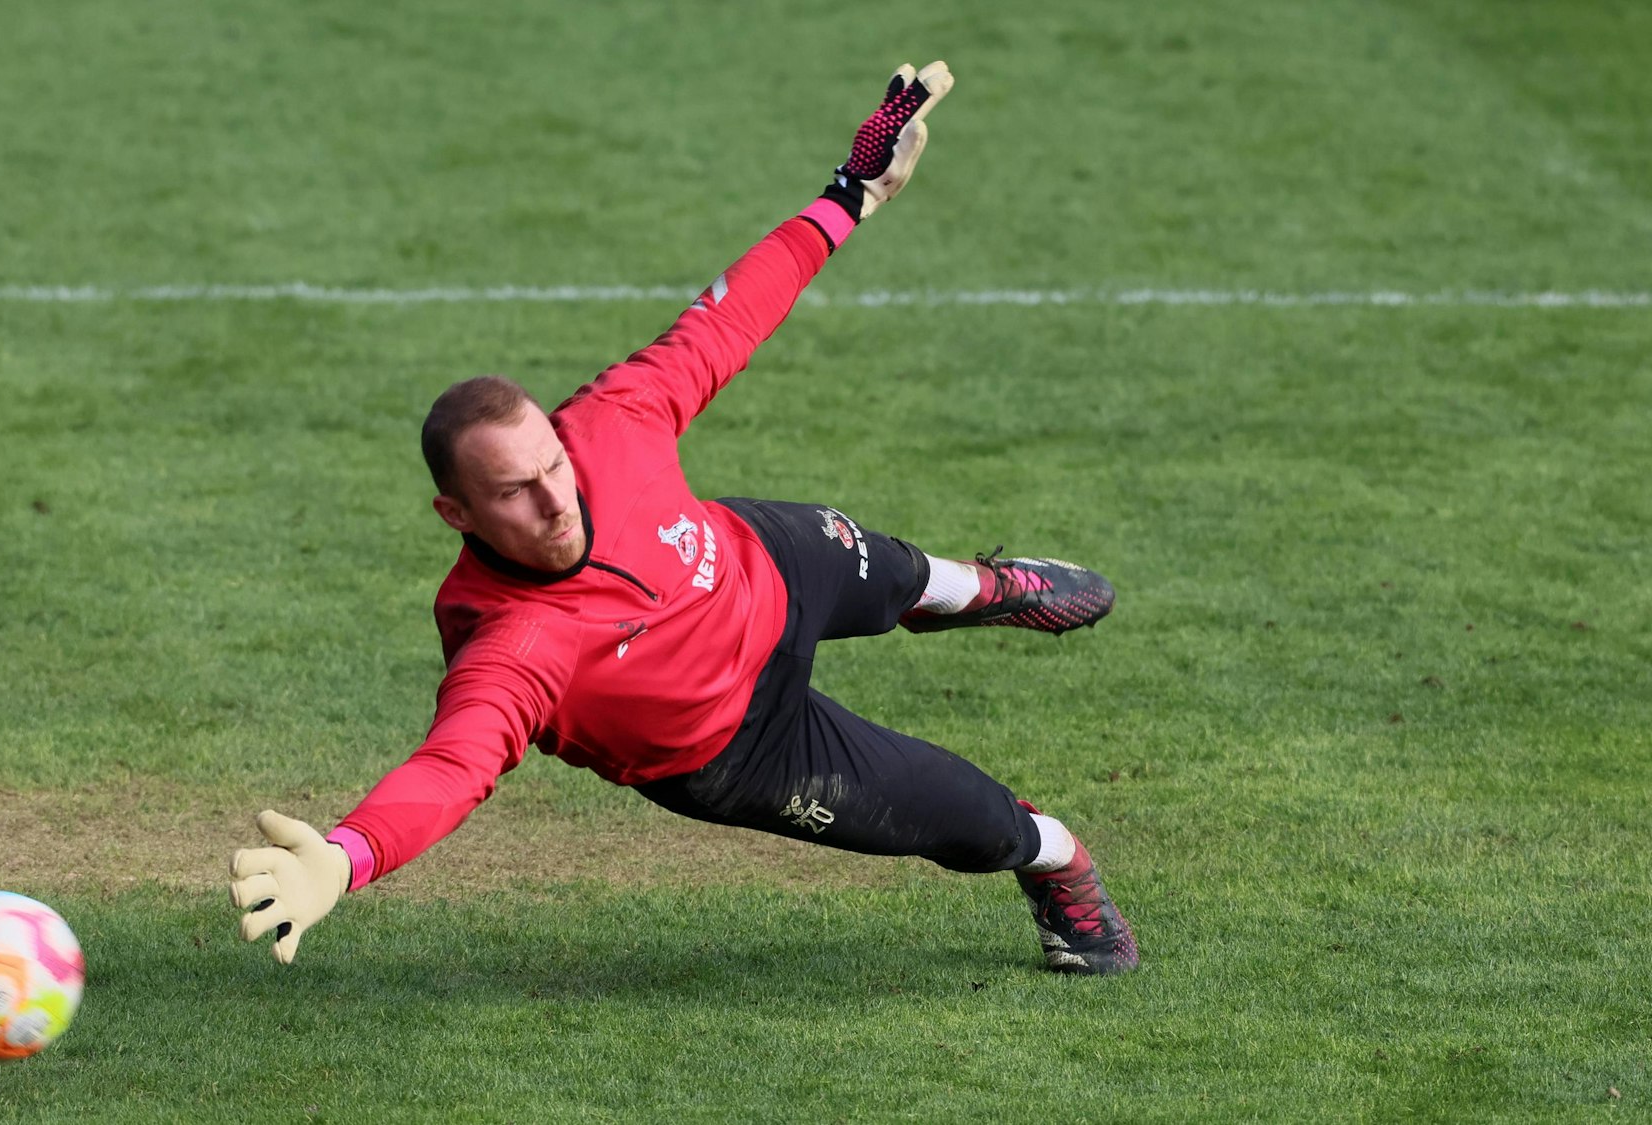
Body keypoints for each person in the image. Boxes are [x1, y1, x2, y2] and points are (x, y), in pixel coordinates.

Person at [229, 60, 1139, 976]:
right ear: (454, 512)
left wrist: (849, 193)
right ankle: (1063, 868)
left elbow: (728, 319)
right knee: (965, 815)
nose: (556, 500)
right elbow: (449, 769)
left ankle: (985, 589)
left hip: (764, 566)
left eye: (552, 463)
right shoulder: (511, 645)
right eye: (515, 492)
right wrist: (345, 857)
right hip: (745, 745)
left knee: (901, 574)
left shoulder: (612, 426)